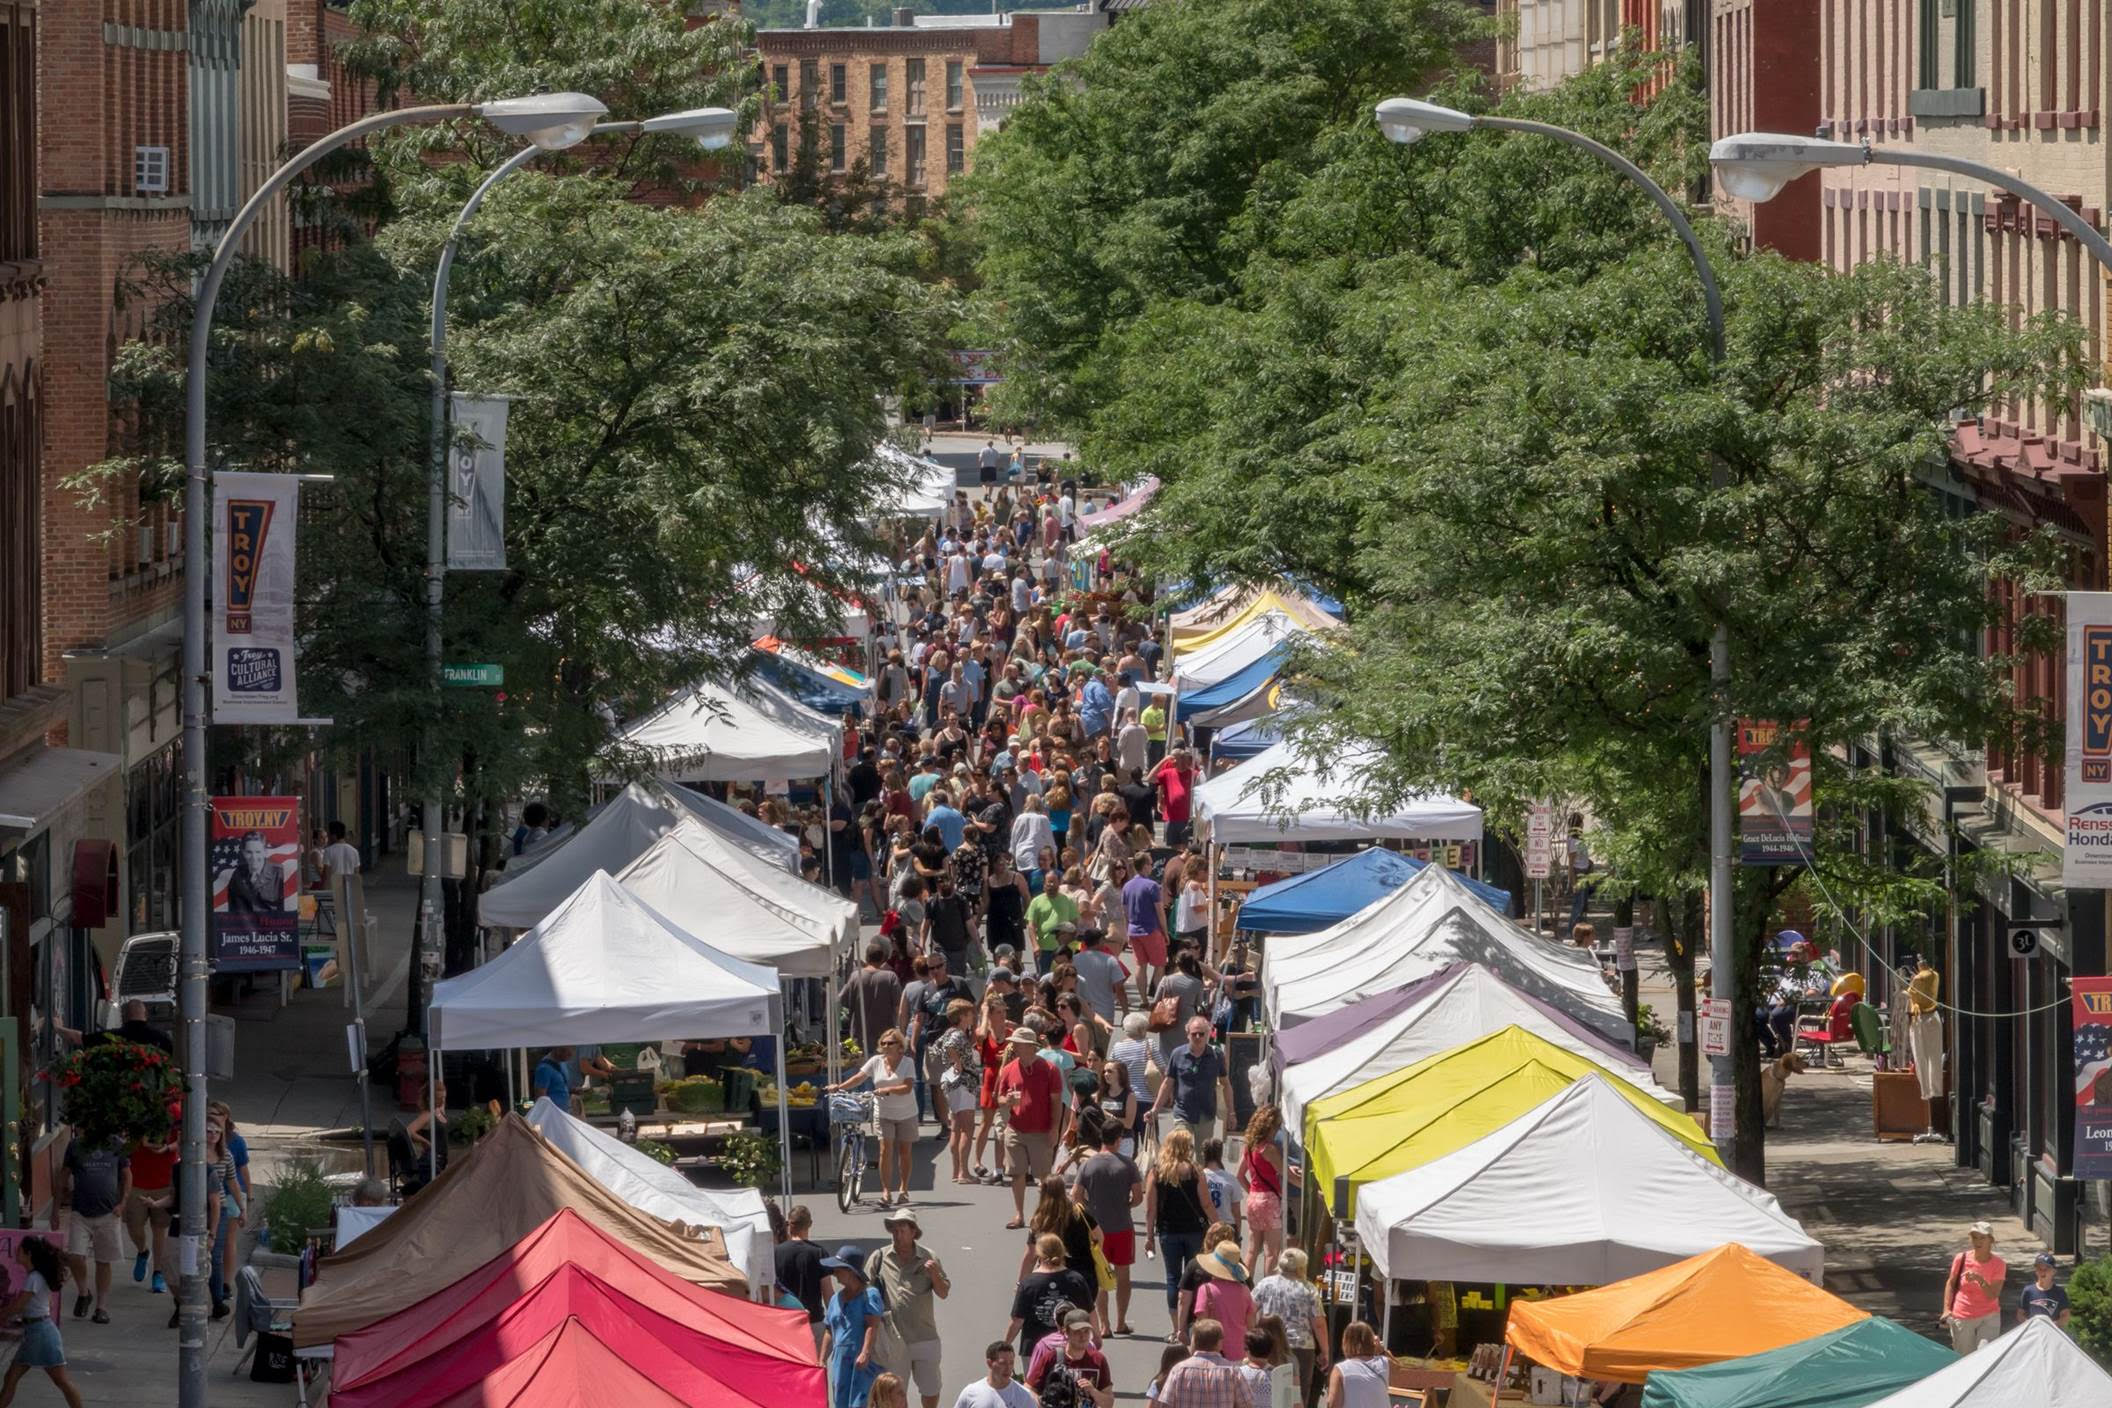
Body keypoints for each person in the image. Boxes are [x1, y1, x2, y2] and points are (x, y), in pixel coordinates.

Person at [866, 1210, 951, 1408]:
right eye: (894, 1230)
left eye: (902, 1230)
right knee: (892, 1393)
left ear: (913, 1232)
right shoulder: (879, 1257)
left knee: (931, 1389)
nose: (897, 1234)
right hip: (892, 1339)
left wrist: (935, 1275)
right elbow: (864, 1289)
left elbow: (944, 1292)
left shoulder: (929, 1256)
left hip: (924, 1335)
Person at [828, 1028, 919, 1207]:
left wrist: (888, 1090)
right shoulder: (875, 1061)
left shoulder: (907, 1062)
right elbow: (859, 1078)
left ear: (900, 1046)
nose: (886, 1046)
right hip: (883, 1112)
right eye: (883, 1043)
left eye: (890, 1043)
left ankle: (904, 1189)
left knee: (904, 1152)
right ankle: (886, 1192)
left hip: (906, 1112)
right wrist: (839, 1087)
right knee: (885, 1150)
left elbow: (907, 1088)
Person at [1076, 1119, 1144, 1335]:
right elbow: (1138, 1196)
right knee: (1123, 1276)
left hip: (1097, 1229)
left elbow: (1075, 1195)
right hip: (1122, 1226)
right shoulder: (1127, 1164)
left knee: (1100, 1276)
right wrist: (1127, 1204)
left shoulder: (1088, 1164)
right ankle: (1120, 1321)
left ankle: (1104, 1325)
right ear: (1118, 1139)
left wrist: (1089, 1208)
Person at [0, 1237, 84, 1408]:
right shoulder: (37, 1276)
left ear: (28, 1254)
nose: (16, 1252)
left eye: (20, 1250)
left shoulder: (34, 1278)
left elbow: (19, 1305)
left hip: (41, 1334)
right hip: (34, 1333)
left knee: (61, 1381)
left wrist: (3, 1314)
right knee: (10, 1377)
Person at [1144, 1130, 1213, 1334]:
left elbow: (1151, 1209)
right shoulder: (1194, 1171)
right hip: (1194, 1230)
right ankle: (1192, 1324)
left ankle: (1176, 1328)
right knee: (1196, 1277)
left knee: (1173, 1278)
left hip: (1168, 1231)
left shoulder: (1157, 1172)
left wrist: (1149, 1237)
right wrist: (1219, 1225)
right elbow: (1206, 1204)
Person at [54, 1134, 127, 1324]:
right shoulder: (76, 1145)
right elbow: (63, 1176)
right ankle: (83, 1292)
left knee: (104, 1261)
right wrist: (55, 1209)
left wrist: (123, 1203)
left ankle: (101, 1307)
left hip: (109, 1212)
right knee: (75, 1256)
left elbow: (127, 1175)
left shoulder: (117, 1144)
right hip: (80, 1212)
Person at [996, 1028, 1065, 1229]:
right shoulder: (1009, 1068)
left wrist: (1054, 1130)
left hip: (1041, 1131)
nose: (1013, 1046)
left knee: (1043, 1177)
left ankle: (1042, 1214)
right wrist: (1006, 1100)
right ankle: (1019, 1215)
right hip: (1015, 1128)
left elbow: (1056, 1102)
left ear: (1029, 1046)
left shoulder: (1049, 1069)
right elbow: (998, 1098)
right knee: (1017, 1173)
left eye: (1017, 1042)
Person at [1253, 1248, 1328, 1406]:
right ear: (1301, 1267)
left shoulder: (1265, 1284)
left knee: (1270, 1388)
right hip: (1301, 1346)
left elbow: (1249, 1310)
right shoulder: (1308, 1289)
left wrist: (1253, 1333)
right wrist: (1325, 1351)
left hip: (1270, 1343)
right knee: (1298, 1394)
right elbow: (1319, 1324)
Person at [1008, 1234, 1093, 1360]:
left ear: (1039, 1254)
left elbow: (1017, 1320)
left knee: (1034, 1379)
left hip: (1034, 1348)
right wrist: (1095, 1336)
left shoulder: (1029, 1283)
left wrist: (1006, 1344)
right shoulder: (1076, 1280)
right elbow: (1089, 1312)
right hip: (1070, 1347)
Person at [820, 1246, 886, 1408]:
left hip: (862, 1363)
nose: (834, 1273)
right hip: (840, 1362)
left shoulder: (869, 1295)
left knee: (861, 1403)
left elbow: (872, 1325)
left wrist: (865, 1352)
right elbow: (829, 1329)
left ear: (850, 1271)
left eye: (838, 1269)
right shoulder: (836, 1299)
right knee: (841, 1402)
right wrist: (821, 1359)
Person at [1152, 1017, 1232, 1148]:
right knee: (1181, 1153)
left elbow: (1226, 1084)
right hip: (1183, 1113)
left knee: (1202, 1157)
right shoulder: (1177, 1054)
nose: (1198, 1037)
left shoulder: (1217, 1055)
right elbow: (1167, 1083)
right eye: (1194, 1033)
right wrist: (1155, 1109)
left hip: (1206, 1114)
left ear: (1208, 1034)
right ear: (1187, 1034)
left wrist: (1231, 1112)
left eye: (1202, 1034)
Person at [933, 999, 984, 1185]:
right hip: (963, 1082)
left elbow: (936, 1048)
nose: (972, 1017)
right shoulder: (957, 1035)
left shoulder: (948, 1033)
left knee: (955, 1126)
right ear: (962, 1016)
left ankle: (957, 1170)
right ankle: (964, 1172)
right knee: (967, 1128)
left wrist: (950, 1063)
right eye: (970, 1014)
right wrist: (957, 1063)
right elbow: (949, 1047)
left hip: (952, 1083)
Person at [122, 1127, 175, 1298]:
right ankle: (142, 1250)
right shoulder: (137, 1112)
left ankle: (157, 1273)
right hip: (137, 1180)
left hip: (164, 1181)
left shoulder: (177, 1109)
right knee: (134, 1225)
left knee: (160, 1230)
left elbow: (184, 1140)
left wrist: (167, 1148)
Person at [1026, 1309, 1115, 1408]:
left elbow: (1109, 1403)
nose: (1083, 1336)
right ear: (1066, 1332)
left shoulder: (1098, 1360)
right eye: (1077, 1332)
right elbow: (1028, 1389)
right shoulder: (1051, 1358)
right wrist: (1042, 1403)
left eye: (1086, 1331)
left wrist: (1093, 1391)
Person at [1940, 1220, 2006, 1353]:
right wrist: (1946, 1309)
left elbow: (1993, 1295)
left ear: (1991, 1240)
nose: (1978, 1242)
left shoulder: (1999, 1264)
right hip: (1963, 1314)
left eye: (1982, 1238)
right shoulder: (1961, 1258)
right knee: (1964, 1358)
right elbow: (1951, 1283)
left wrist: (1980, 1280)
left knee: (1986, 1354)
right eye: (1975, 1238)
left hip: (1989, 1315)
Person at [776, 1205, 832, 1351]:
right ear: (810, 1224)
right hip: (814, 1322)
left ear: (789, 1225)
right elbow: (828, 1294)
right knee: (816, 1368)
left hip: (786, 1322)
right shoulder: (819, 1253)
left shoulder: (777, 1252)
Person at [1238, 1106, 1286, 1276]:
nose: (1279, 1129)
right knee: (1271, 1252)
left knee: (1252, 1250)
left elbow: (1240, 1175)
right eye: (1278, 1126)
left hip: (1253, 1199)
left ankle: (1244, 1287)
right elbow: (1285, 1173)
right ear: (1270, 1127)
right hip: (1270, 1200)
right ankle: (1267, 1291)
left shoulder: (1250, 1147)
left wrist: (1253, 1192)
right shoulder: (1269, 1149)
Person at [1157, 1320, 1249, 1408]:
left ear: (1194, 1341)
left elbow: (1165, 1404)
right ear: (1220, 1343)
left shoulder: (1179, 1370)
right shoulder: (1232, 1371)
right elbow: (1246, 1404)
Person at [841, 941, 906, 1058]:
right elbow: (898, 1008)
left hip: (860, 1038)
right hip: (886, 1039)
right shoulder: (890, 977)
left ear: (866, 958)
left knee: (863, 1072)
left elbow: (842, 1002)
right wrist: (902, 1032)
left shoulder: (855, 976)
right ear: (882, 959)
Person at [1192, 1242, 1254, 1352]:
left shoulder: (1206, 1290)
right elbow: (1251, 1325)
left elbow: (1201, 1326)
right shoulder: (1245, 1290)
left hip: (1213, 1351)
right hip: (1240, 1351)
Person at [953, 1341, 1036, 1408]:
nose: (1008, 1368)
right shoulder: (971, 1392)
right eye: (1002, 1363)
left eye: (1011, 1363)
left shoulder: (1024, 1395)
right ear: (989, 1363)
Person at [1326, 1322, 1389, 1408]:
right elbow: (1400, 1366)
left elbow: (1333, 1404)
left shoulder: (1340, 1370)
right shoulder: (1384, 1363)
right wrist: (1381, 1350)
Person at [1200, 1141, 1241, 1245]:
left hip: (1205, 1225)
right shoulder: (1230, 1179)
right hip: (1227, 1226)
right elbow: (1236, 1211)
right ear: (1220, 1154)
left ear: (1203, 1154)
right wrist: (1238, 1235)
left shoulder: (1199, 1177)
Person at [2020, 1251, 2071, 1326]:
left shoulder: (2060, 1292)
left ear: (2053, 1271)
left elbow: (2065, 1316)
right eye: (2039, 1268)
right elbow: (2020, 1313)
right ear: (2036, 1271)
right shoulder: (2028, 1291)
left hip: (2051, 1333)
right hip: (2032, 1332)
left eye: (2046, 1269)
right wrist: (2029, 1324)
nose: (2042, 1272)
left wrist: (2052, 1326)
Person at [532, 1046, 576, 1114]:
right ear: (557, 1050)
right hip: (552, 1114)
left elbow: (559, 1087)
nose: (571, 1055)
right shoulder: (544, 1069)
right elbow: (540, 1097)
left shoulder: (562, 1063)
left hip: (563, 1112)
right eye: (568, 1053)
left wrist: (573, 1090)